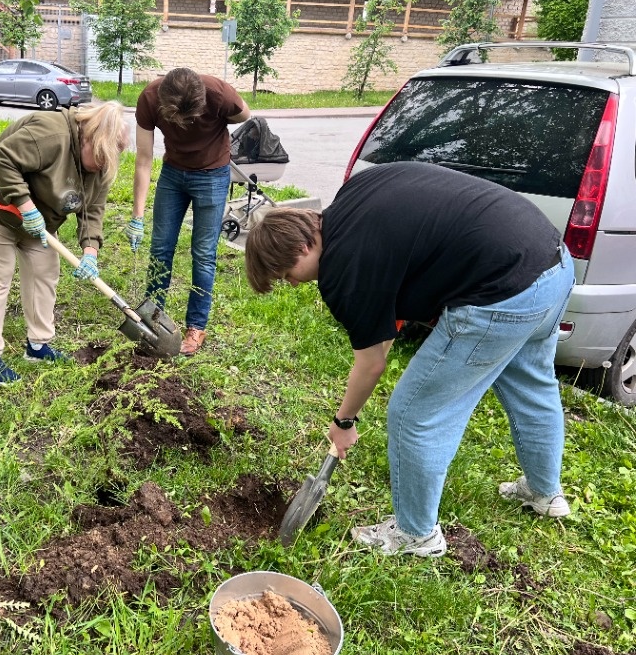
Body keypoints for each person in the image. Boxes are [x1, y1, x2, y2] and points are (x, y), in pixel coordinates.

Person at [244, 162, 575, 557]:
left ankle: (416, 534)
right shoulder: (353, 197)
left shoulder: (344, 270)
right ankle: (544, 493)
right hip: (551, 262)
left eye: (287, 274)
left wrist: (344, 423)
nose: (293, 284)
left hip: (500, 292)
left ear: (302, 247)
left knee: (413, 413)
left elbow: (371, 363)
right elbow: (382, 333)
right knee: (530, 382)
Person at [0, 101, 130, 386]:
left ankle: (38, 346)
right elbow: (3, 159)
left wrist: (90, 251)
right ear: (88, 138)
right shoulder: (51, 134)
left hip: (40, 221)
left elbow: (93, 210)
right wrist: (27, 209)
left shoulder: (102, 163)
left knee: (45, 273)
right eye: (100, 158)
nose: (102, 166)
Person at [128, 67, 250, 356]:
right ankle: (154, 319)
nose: (182, 125)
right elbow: (144, 160)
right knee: (160, 249)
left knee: (204, 253)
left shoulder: (218, 93)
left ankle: (196, 326)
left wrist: (221, 121)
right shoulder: (149, 98)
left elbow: (244, 115)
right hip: (173, 175)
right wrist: (137, 216)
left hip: (213, 174)